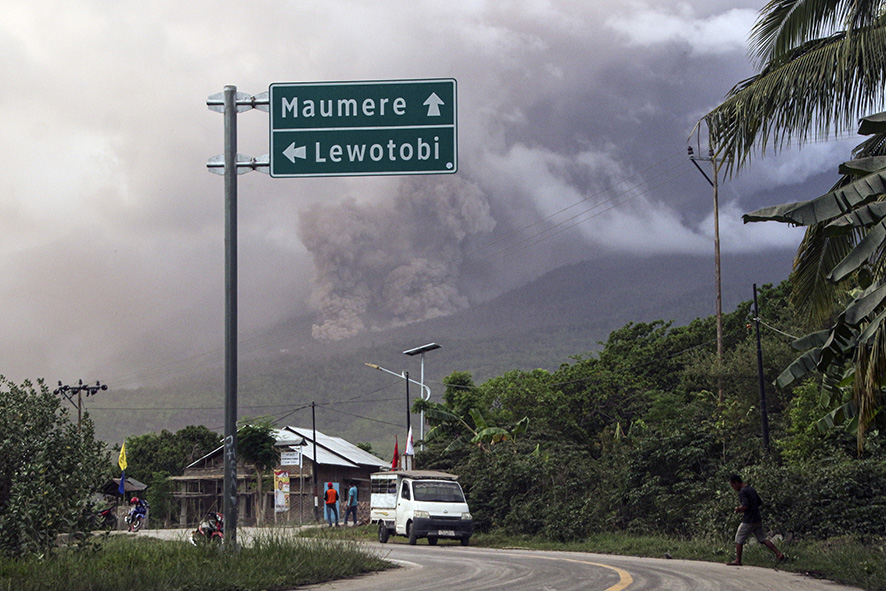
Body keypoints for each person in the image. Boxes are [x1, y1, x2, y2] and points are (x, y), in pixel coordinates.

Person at [727, 474, 785, 566]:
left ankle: (738, 560)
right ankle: (778, 553)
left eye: (733, 485)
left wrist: (739, 509)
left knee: (739, 538)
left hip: (748, 520)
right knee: (762, 539)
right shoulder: (751, 489)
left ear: (737, 483)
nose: (733, 488)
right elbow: (759, 502)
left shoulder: (742, 491)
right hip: (757, 518)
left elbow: (745, 505)